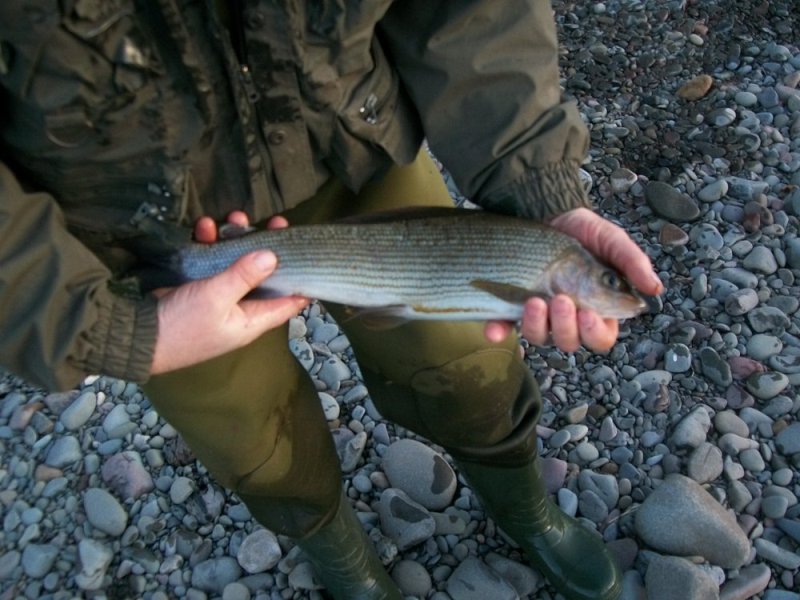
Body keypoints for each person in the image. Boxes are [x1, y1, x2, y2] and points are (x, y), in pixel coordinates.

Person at [0, 2, 663, 599]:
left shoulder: (552, 259)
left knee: (466, 362)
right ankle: (338, 551)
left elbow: (472, 15)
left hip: (349, 142)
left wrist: (538, 175)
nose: (617, 295)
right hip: (133, 215)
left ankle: (524, 506)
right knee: (248, 431)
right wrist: (96, 327)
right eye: (607, 284)